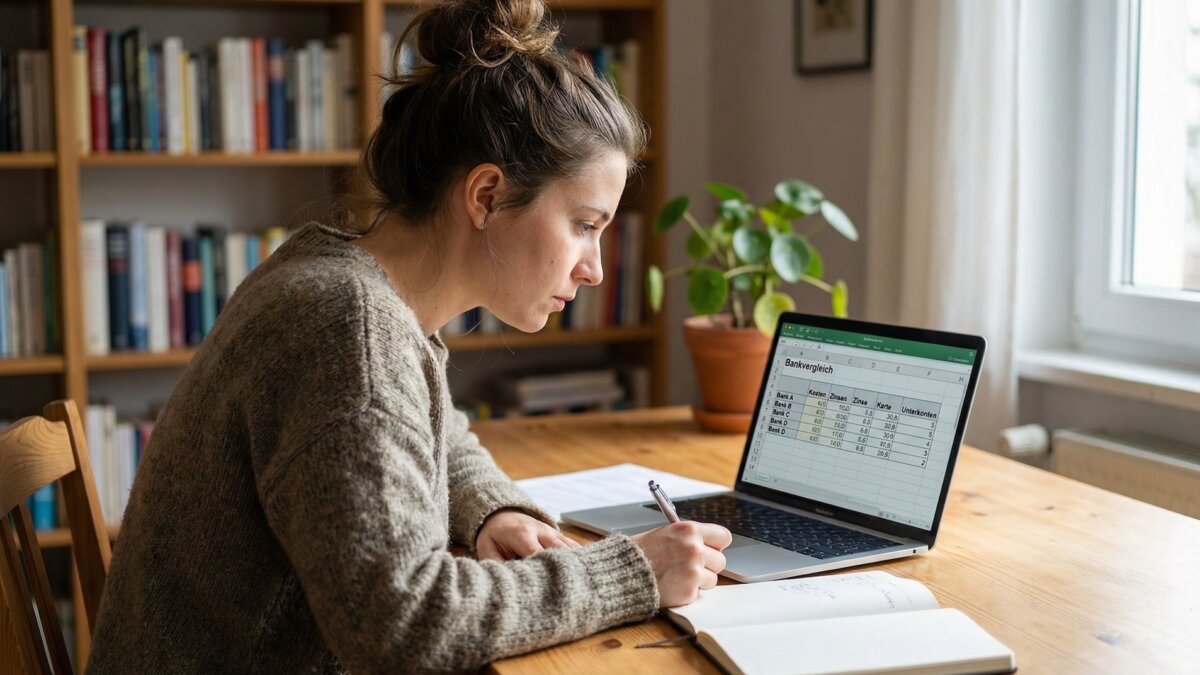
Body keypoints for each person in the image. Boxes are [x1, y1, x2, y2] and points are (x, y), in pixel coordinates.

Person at [86, 0, 732, 671]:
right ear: (485, 195)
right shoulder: (348, 330)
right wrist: (632, 571)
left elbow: (431, 430)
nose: (595, 268)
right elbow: (406, 624)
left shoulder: (341, 275)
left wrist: (491, 511)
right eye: (584, 224)